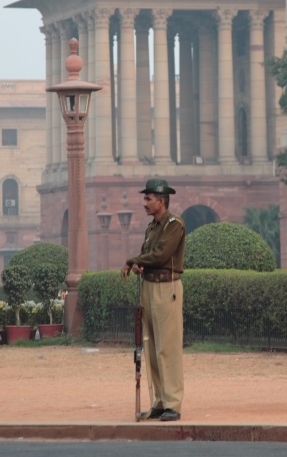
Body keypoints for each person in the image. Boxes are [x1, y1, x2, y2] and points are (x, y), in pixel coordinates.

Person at [120, 178, 186, 422]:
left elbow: (161, 255)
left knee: (168, 347)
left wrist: (132, 259)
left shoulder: (174, 224)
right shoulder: (152, 227)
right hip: (149, 286)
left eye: (148, 198)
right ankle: (159, 401)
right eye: (144, 198)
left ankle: (173, 403)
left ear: (162, 200)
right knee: (151, 346)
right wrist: (138, 265)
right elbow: (149, 257)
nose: (144, 203)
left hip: (167, 287)